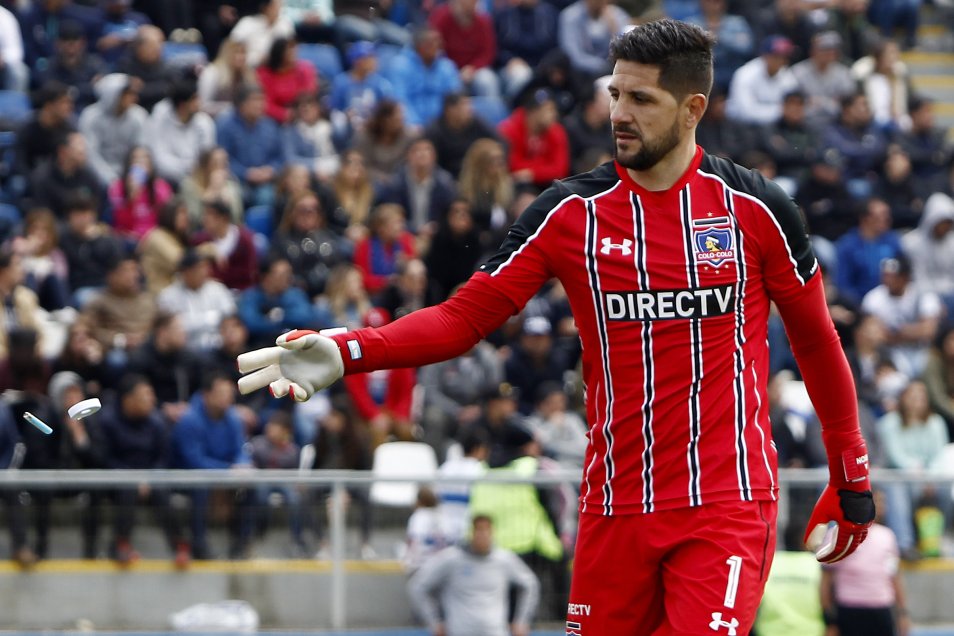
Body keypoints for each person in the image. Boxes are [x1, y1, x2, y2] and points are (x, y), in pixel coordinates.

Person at [237, 20, 876, 634]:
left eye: (642, 100)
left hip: (725, 501)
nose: (619, 113)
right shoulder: (569, 213)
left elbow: (816, 340)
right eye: (615, 94)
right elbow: (463, 318)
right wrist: (350, 350)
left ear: (693, 109)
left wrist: (850, 473)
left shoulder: (757, 209)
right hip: (613, 505)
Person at [408, 514, 540, 636]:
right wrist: (434, 621)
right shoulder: (451, 559)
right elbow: (418, 586)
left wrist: (522, 620)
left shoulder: (504, 560)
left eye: (486, 530)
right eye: (478, 530)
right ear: (470, 532)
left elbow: (530, 584)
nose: (482, 535)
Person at [820, 489, 911, 636]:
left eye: (882, 502)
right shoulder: (837, 535)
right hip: (850, 610)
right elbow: (826, 582)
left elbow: (894, 577)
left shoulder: (887, 536)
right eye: (877, 501)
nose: (881, 506)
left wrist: (902, 613)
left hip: (881, 610)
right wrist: (829, 620)